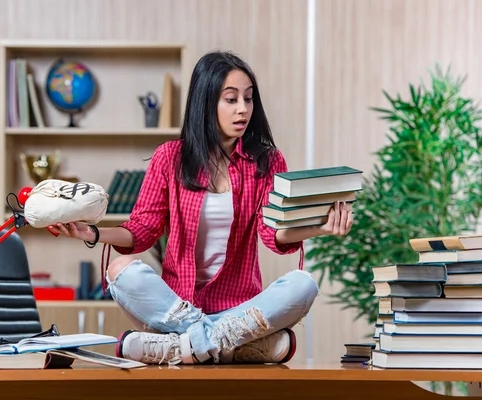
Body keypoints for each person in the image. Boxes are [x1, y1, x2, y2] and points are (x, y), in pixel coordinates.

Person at [48, 50, 353, 365]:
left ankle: (179, 347)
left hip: (239, 309)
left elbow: (270, 232)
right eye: (231, 99)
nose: (243, 109)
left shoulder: (266, 161)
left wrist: (320, 227)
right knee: (120, 270)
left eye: (248, 99)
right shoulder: (170, 158)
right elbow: (142, 230)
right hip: (177, 307)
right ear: (207, 102)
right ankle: (229, 344)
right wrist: (94, 232)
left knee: (303, 284)